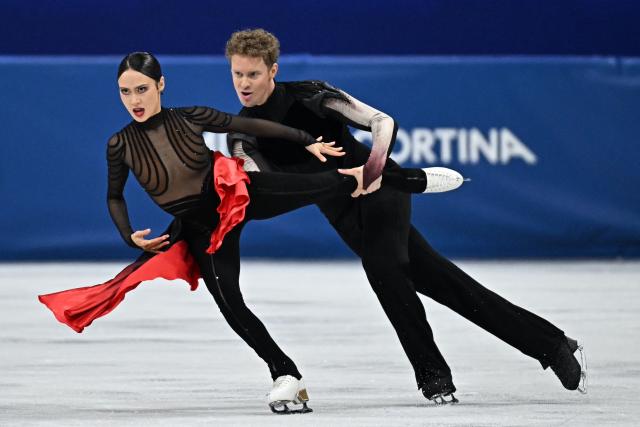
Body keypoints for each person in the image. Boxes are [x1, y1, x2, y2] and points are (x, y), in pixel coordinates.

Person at [38, 51, 463, 414]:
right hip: (201, 227)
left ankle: (412, 180)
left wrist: (307, 143)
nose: (135, 99)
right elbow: (114, 196)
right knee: (230, 303)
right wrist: (129, 235)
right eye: (126, 92)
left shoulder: (190, 117)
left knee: (324, 181)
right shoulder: (119, 144)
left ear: (160, 85)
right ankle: (285, 374)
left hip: (234, 194)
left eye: (142, 89)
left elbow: (255, 128)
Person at [223, 29, 587, 404]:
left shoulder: (309, 95)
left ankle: (434, 377)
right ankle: (554, 345)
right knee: (446, 284)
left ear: (272, 71)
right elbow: (259, 183)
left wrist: (373, 171)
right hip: (341, 209)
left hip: (383, 189)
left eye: (253, 74)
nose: (244, 84)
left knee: (384, 271)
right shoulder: (244, 134)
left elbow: (382, 122)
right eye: (237, 74)